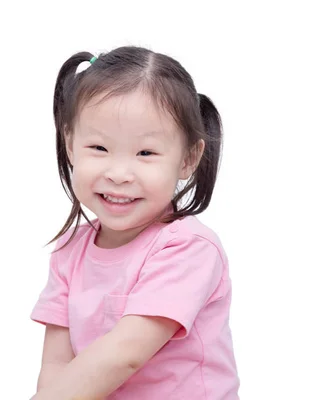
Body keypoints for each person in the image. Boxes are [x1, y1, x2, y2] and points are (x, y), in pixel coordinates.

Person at [30, 46, 240, 400]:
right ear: (70, 145)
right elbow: (55, 365)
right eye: (98, 147)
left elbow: (124, 355)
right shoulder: (69, 251)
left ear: (188, 159)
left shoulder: (188, 248)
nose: (119, 174)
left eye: (145, 153)